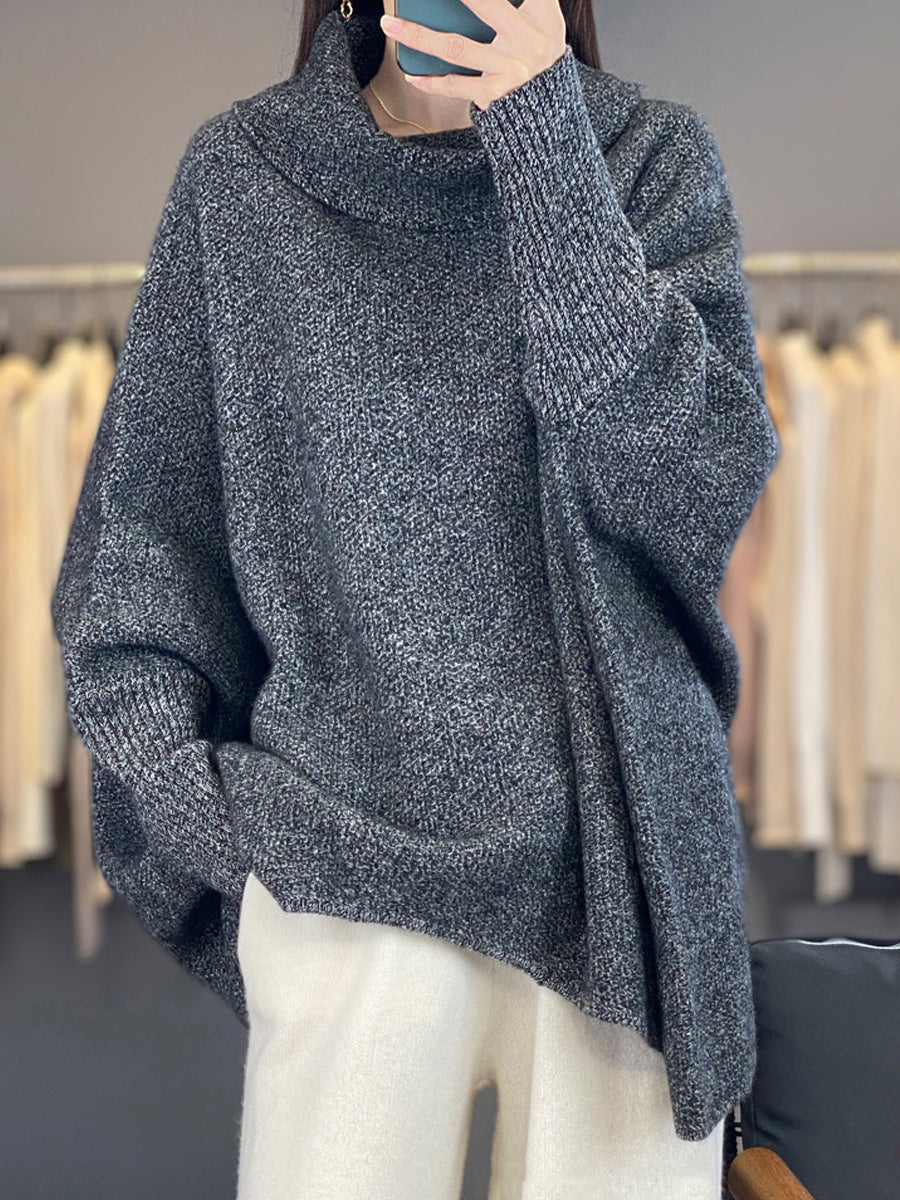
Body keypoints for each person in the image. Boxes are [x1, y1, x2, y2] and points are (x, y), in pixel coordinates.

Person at [50, 0, 780, 1195]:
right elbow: (138, 560)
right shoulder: (246, 178)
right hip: (342, 879)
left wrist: (544, 138)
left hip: (617, 884)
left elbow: (692, 487)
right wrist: (234, 829)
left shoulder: (643, 158)